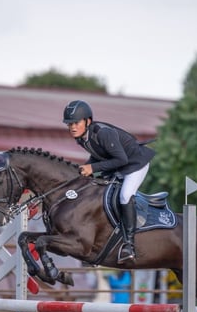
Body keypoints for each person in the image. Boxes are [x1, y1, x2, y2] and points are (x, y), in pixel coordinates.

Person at [63, 99, 155, 262]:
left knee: (125, 196)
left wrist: (93, 168)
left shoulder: (103, 133)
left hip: (135, 164)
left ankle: (129, 245)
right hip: (119, 165)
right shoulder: (81, 137)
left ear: (88, 121)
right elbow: (97, 154)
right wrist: (85, 168)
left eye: (76, 123)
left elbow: (122, 160)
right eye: (69, 124)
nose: (72, 127)